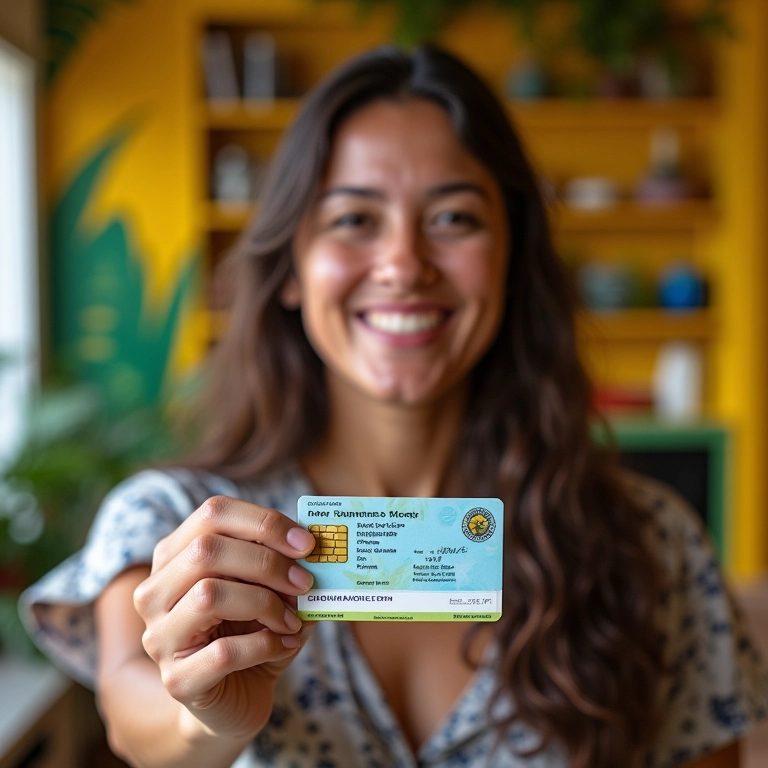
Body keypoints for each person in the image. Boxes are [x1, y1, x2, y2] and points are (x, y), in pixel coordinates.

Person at [20, 45, 768, 768]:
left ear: (511, 260)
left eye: (453, 219)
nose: (404, 265)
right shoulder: (178, 525)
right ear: (290, 269)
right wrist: (203, 718)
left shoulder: (650, 544)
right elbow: (131, 717)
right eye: (353, 219)